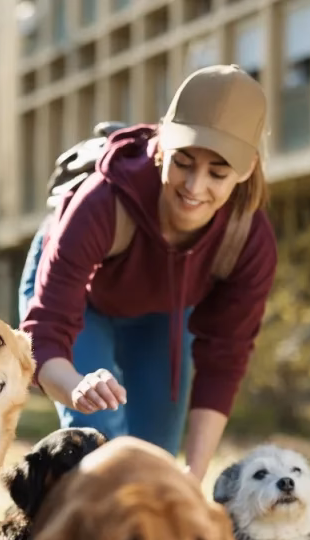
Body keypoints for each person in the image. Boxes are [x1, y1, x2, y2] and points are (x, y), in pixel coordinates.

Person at [20, 64, 277, 483]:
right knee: (100, 443)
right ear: (161, 144)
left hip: (160, 311)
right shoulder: (102, 202)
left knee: (156, 465)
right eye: (184, 162)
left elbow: (224, 359)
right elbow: (44, 335)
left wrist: (192, 477)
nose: (194, 187)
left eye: (217, 173)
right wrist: (75, 387)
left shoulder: (249, 238)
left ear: (247, 168)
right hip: (80, 304)